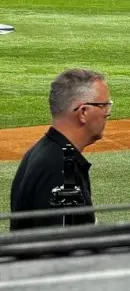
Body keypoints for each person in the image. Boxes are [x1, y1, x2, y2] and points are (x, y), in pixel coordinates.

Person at [10, 69, 112, 231]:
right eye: (104, 106)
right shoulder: (58, 167)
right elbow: (56, 243)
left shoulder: (44, 153)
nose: (108, 113)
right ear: (83, 112)